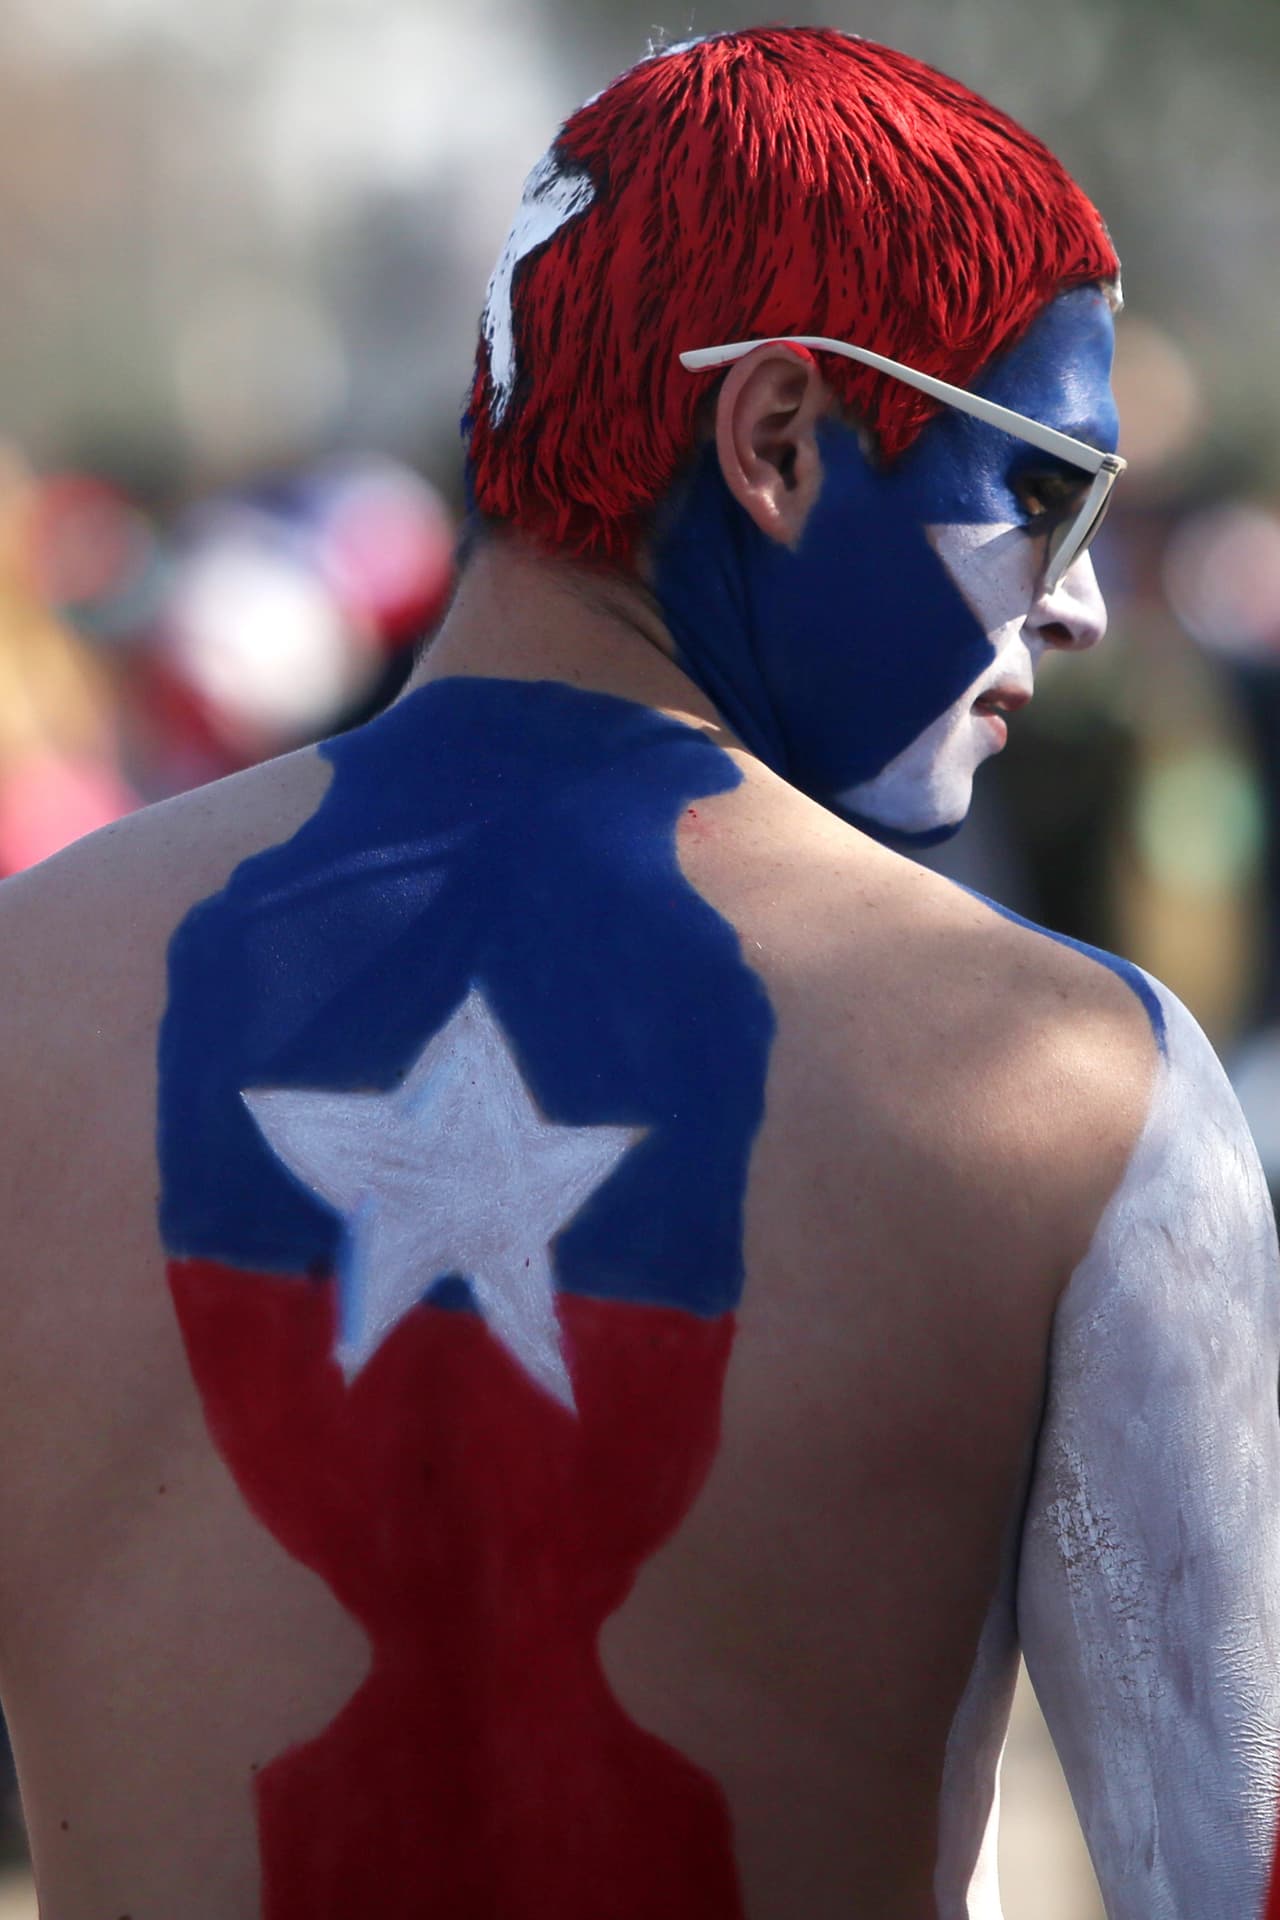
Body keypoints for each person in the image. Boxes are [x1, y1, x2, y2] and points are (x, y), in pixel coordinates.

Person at [0, 26, 1276, 1919]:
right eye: (1037, 492)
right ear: (776, 439)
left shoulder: (29, 997)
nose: (1075, 599)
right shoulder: (1062, 1092)